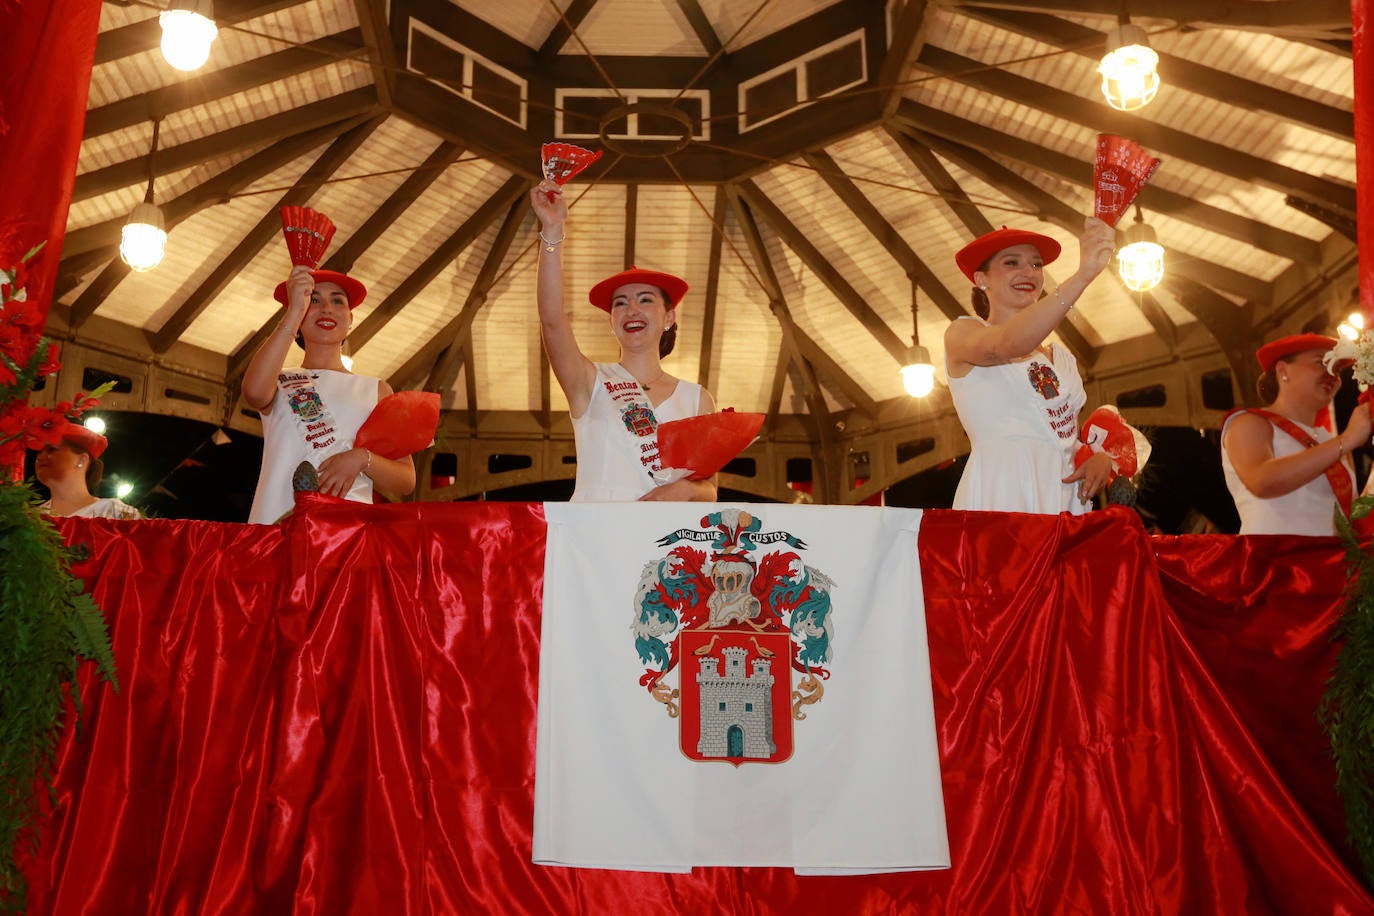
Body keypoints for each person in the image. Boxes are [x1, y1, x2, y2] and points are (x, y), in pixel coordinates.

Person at [531, 179, 718, 502]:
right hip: (593, 536)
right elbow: (552, 322)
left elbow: (709, 490)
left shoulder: (698, 399)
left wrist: (682, 488)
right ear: (612, 323)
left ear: (669, 317)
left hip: (664, 544)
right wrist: (552, 230)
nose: (631, 308)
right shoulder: (590, 383)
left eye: (645, 300)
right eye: (620, 303)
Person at [944, 219, 1117, 514]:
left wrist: (1102, 458)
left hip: (1065, 496)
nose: (1029, 273)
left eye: (1036, 265)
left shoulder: (1063, 357)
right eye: (1012, 263)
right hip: (1003, 491)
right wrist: (1083, 276)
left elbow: (1063, 438)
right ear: (980, 279)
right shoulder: (962, 333)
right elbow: (1009, 344)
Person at [242, 266, 416, 524]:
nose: (327, 308)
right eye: (313, 300)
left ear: (350, 318)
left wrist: (361, 459)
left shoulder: (376, 390)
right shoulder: (278, 380)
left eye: (337, 300)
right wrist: (293, 312)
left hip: (346, 537)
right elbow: (254, 393)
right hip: (275, 528)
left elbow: (406, 479)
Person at [1221, 333, 1371, 535]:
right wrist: (1347, 439)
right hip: (1275, 562)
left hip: (1329, 563)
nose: (1332, 375)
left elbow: (1351, 518)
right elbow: (1262, 481)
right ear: (1283, 370)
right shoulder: (1249, 422)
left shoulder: (1331, 441)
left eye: (1336, 369)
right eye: (1322, 363)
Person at [34, 421, 141, 519]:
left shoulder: (115, 513)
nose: (40, 457)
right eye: (39, 452)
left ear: (82, 460)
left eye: (51, 450)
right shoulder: (32, 518)